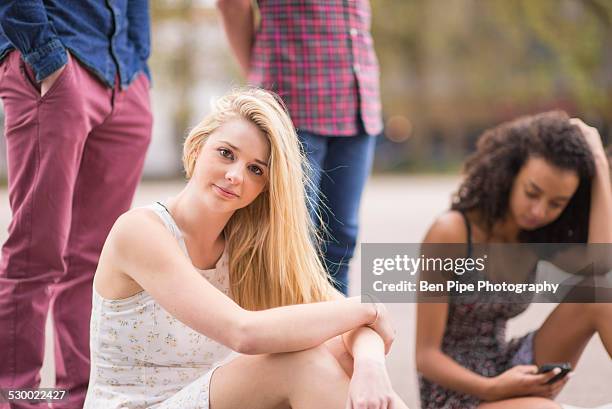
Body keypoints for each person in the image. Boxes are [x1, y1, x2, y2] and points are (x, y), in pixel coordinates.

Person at [83, 88, 409, 409]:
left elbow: (352, 325)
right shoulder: (141, 231)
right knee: (299, 364)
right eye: (226, 153)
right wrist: (369, 309)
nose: (235, 175)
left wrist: (370, 365)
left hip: (209, 399)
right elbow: (243, 333)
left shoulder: (247, 249)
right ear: (197, 147)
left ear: (264, 189)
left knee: (341, 359)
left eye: (256, 170)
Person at [0, 1, 152, 408]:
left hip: (122, 75)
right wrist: (45, 56)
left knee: (96, 260)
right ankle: (19, 399)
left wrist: (138, 63)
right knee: (36, 252)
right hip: (57, 62)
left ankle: (79, 399)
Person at [416, 111, 612, 409]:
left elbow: (601, 262)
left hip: (507, 367)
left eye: (556, 204)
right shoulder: (451, 233)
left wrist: (597, 162)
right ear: (509, 174)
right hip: (456, 393)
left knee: (599, 294)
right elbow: (426, 357)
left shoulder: (534, 237)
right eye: (532, 193)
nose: (538, 211)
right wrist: (493, 388)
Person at [216, 0, 383, 295]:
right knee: (285, 246)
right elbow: (232, 5)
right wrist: (258, 74)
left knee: (339, 245)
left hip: (356, 104)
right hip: (293, 104)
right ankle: (288, 338)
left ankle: (333, 334)